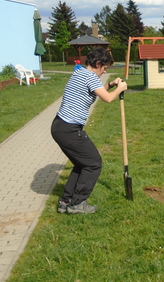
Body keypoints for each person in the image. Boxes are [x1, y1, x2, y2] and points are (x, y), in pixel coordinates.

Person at [51, 48, 128, 214]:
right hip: (69, 129)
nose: (105, 71)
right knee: (93, 163)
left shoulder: (80, 73)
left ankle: (66, 201)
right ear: (98, 64)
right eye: (105, 68)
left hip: (60, 126)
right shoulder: (90, 76)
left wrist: (110, 84)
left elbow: (97, 91)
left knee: (82, 163)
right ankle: (78, 203)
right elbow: (107, 98)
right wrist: (120, 88)